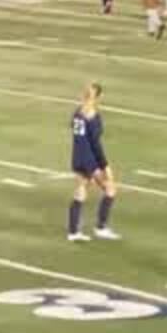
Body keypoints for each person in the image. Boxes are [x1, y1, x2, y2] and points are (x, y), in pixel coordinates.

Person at [67, 82, 119, 241]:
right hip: (89, 160)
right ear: (98, 97)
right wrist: (105, 166)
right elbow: (96, 145)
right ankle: (101, 228)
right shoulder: (93, 116)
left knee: (81, 191)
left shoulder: (77, 112)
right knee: (110, 188)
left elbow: (74, 129)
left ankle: (73, 232)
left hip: (77, 157)